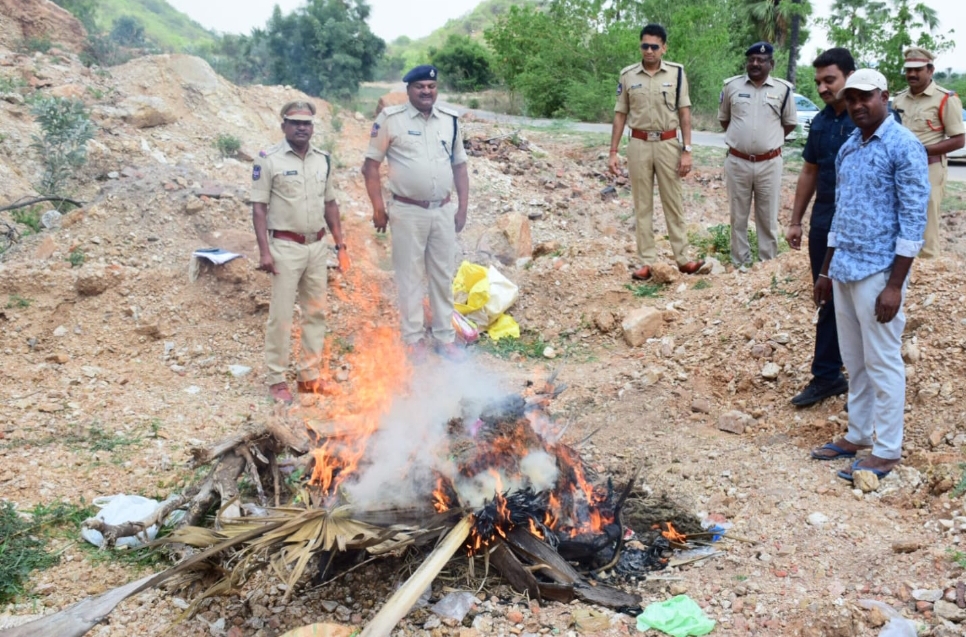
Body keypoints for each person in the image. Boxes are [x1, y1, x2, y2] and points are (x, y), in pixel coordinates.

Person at [809, 69, 929, 481]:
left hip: (880, 273)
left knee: (883, 362)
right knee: (854, 361)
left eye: (866, 98)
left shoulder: (903, 146)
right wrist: (825, 269)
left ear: (884, 96)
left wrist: (895, 285)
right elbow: (840, 214)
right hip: (844, 269)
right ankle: (858, 434)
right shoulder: (849, 148)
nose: (857, 105)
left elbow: (914, 222)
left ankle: (888, 449)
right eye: (851, 99)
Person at [361, 65, 470, 362]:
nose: (426, 92)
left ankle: (444, 338)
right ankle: (412, 340)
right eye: (420, 87)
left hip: (443, 210)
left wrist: (462, 207)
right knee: (409, 277)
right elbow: (370, 167)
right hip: (407, 212)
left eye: (431, 87)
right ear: (408, 90)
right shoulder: (390, 120)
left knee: (442, 276)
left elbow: (459, 166)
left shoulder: (450, 121)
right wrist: (378, 209)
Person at [251, 101, 348, 404]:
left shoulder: (323, 160)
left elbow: (330, 204)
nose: (301, 128)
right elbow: (259, 208)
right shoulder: (269, 159)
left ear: (313, 127)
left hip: (317, 247)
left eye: (306, 123)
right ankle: (277, 380)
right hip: (285, 247)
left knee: (315, 313)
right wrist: (265, 252)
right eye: (295, 122)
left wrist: (340, 245)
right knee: (280, 316)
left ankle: (309, 377)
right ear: (284, 126)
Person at [785, 48, 856, 408]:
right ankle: (828, 376)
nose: (824, 88)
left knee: (862, 301)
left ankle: (862, 384)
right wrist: (797, 220)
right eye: (819, 82)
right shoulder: (822, 122)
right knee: (827, 298)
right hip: (825, 223)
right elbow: (809, 170)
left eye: (830, 80)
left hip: (862, 229)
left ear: (849, 76)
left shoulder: (872, 118)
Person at [608, 23, 704, 281]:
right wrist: (613, 151)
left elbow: (684, 113)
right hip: (638, 144)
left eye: (654, 46)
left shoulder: (677, 73)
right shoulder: (628, 75)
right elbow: (620, 114)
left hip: (668, 144)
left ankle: (683, 258)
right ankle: (646, 262)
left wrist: (687, 150)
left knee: (673, 202)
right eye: (644, 46)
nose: (649, 51)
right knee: (642, 205)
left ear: (664, 48)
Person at [718, 42, 798, 268]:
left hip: (769, 164)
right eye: (751, 59)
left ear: (771, 64)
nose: (755, 63)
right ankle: (740, 263)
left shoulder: (783, 90)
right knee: (738, 216)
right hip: (737, 162)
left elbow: (789, 123)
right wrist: (743, 141)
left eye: (761, 60)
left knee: (768, 217)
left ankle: (767, 265)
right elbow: (725, 119)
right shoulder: (731, 86)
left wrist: (767, 143)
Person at [891, 47, 965, 258]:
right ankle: (901, 263)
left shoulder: (945, 99)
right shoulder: (899, 100)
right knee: (899, 213)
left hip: (929, 167)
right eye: (908, 70)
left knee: (926, 219)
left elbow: (959, 140)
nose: (912, 74)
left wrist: (918, 151)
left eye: (918, 70)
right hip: (899, 168)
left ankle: (928, 265)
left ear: (930, 70)